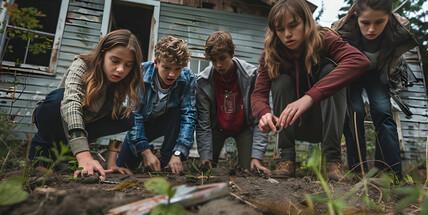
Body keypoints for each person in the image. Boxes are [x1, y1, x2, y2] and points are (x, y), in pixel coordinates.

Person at [251, 0, 371, 180]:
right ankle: (286, 160)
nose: (287, 34)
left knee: (330, 71)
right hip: (292, 124)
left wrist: (310, 97)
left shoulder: (324, 39)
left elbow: (359, 61)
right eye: (280, 29)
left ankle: (332, 161)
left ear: (306, 22)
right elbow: (258, 94)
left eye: (293, 25)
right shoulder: (271, 54)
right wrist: (263, 113)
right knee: (280, 81)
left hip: (327, 123)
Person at [29, 29, 143, 180]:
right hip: (57, 117)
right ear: (102, 54)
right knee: (58, 98)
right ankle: (39, 157)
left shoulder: (122, 82)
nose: (121, 69)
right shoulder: (82, 64)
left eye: (128, 65)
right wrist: (83, 154)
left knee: (128, 117)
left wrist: (111, 163)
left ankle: (66, 157)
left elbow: (118, 119)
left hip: (84, 124)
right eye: (115, 61)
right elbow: (71, 103)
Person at [332, 0, 418, 179]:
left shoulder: (399, 28)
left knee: (383, 112)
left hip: (378, 75)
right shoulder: (341, 30)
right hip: (352, 74)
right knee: (355, 112)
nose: (371, 29)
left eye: (379, 22)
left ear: (388, 17)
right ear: (356, 16)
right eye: (365, 23)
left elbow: (395, 61)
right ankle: (358, 171)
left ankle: (390, 173)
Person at [116, 36, 197, 174]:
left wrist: (177, 153)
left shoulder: (188, 79)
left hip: (168, 123)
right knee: (123, 165)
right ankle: (148, 154)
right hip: (142, 124)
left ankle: (167, 162)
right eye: (166, 67)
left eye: (177, 69)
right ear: (156, 63)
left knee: (178, 113)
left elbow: (188, 116)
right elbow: (134, 116)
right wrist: (146, 152)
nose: (172, 74)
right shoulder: (139, 74)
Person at [196, 30, 270, 175]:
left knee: (249, 171)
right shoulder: (203, 82)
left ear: (232, 53)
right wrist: (205, 155)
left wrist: (257, 156)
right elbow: (203, 123)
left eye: (222, 58)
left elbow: (259, 118)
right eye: (213, 60)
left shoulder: (251, 76)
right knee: (207, 170)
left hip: (244, 127)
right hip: (217, 128)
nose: (218, 65)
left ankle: (250, 161)